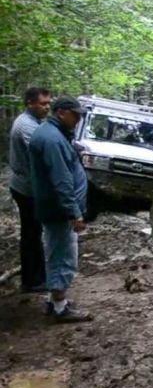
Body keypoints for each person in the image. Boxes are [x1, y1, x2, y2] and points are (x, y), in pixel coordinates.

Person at [28, 95, 92, 322]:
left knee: (56, 251)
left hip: (52, 206)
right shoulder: (52, 139)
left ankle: (53, 300)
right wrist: (73, 212)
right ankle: (59, 307)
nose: (78, 119)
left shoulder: (52, 134)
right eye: (76, 115)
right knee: (64, 255)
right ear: (62, 112)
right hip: (57, 208)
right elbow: (61, 180)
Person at [8, 87, 51, 293]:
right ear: (30, 103)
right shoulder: (26, 127)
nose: (47, 107)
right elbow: (43, 153)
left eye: (48, 103)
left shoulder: (32, 122)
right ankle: (33, 281)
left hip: (25, 186)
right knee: (32, 234)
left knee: (32, 233)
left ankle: (35, 277)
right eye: (43, 104)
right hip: (26, 188)